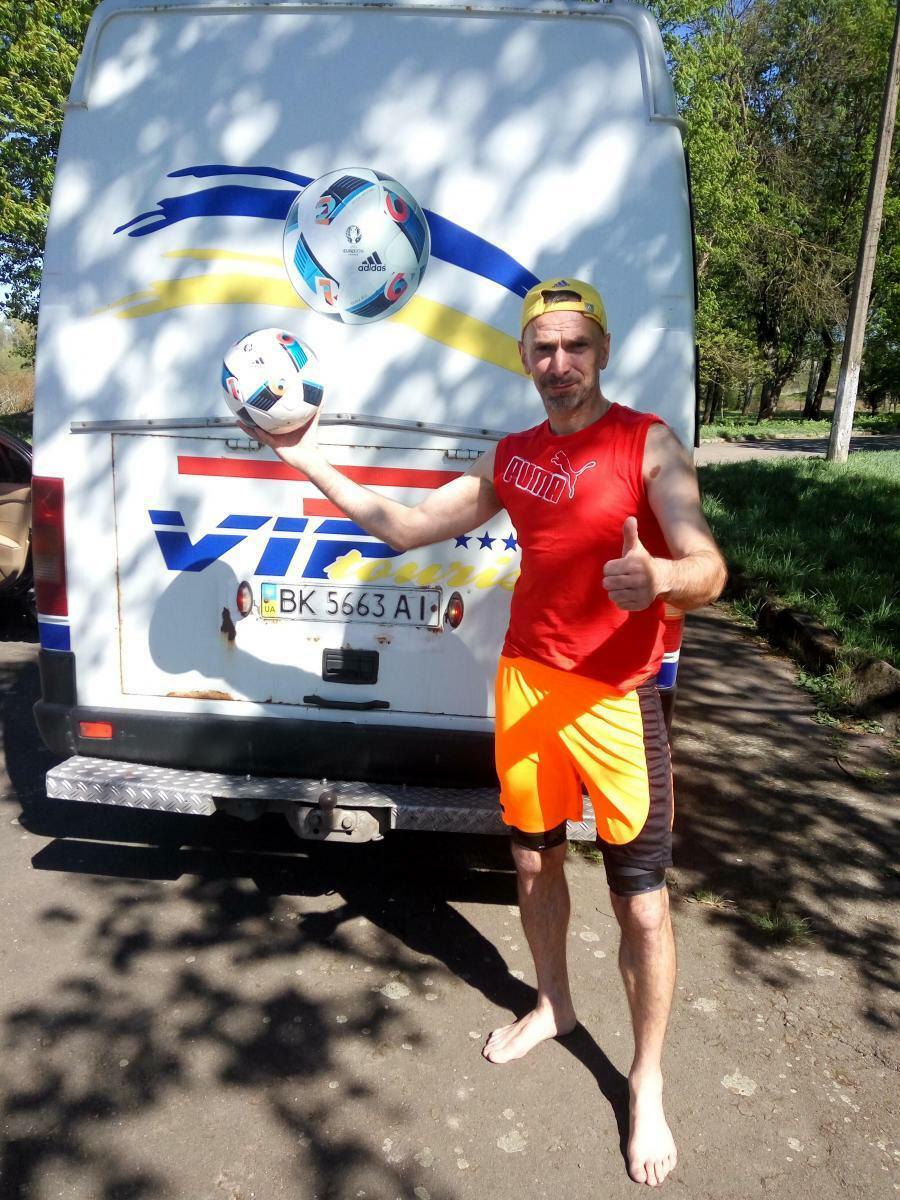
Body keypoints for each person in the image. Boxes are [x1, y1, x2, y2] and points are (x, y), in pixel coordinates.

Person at [242, 277, 727, 1188]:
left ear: (603, 351)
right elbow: (404, 526)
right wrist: (304, 456)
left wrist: (664, 579)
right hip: (527, 688)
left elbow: (709, 565)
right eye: (543, 348)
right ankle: (553, 1005)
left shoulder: (649, 443)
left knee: (642, 903)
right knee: (534, 865)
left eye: (575, 345)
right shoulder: (514, 457)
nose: (559, 362)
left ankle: (647, 1079)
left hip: (616, 702)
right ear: (524, 358)